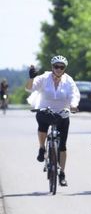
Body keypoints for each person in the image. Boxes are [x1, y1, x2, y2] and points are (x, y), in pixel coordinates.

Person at [25, 56, 80, 187]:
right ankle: (42, 148)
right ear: (52, 67)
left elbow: (74, 94)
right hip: (45, 110)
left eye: (61, 67)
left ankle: (62, 174)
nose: (59, 69)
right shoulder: (44, 78)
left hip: (62, 112)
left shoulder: (68, 80)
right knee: (42, 123)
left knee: (62, 146)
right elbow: (29, 88)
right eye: (56, 66)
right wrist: (31, 78)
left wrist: (73, 105)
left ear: (64, 69)